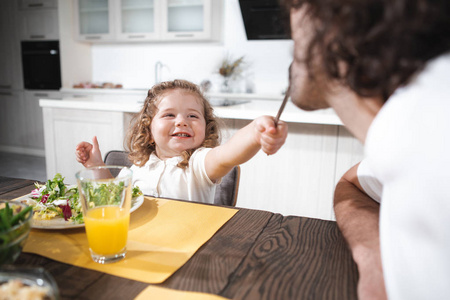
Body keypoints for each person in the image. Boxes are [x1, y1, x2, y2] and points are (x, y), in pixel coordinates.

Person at [284, 0, 450, 299]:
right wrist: (376, 257)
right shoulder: (402, 132)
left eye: (295, 5)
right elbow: (352, 184)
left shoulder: (434, 127)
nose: (288, 24)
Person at [76, 79, 288, 203]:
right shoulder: (138, 168)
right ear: (148, 129)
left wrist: (256, 131)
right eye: (169, 115)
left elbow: (229, 153)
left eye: (193, 116)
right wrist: (97, 166)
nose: (182, 122)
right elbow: (114, 199)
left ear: (206, 128)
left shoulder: (199, 164)